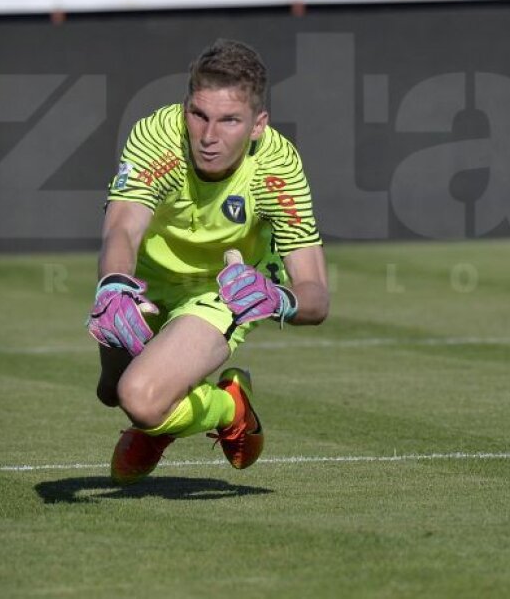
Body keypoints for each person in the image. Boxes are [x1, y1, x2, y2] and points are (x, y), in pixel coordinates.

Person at [88, 38, 329, 485]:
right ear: (185, 109)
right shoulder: (157, 135)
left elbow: (315, 296)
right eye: (198, 115)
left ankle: (229, 410)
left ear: (258, 125)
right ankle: (171, 412)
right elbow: (122, 228)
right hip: (146, 288)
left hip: (223, 293)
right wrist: (115, 284)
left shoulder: (278, 166)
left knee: (140, 398)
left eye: (229, 120)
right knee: (110, 392)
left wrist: (276, 298)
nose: (209, 136)